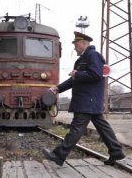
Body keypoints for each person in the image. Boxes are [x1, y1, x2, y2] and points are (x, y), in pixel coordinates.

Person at [42, 31, 125, 166]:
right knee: (103, 128)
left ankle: (59, 155)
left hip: (88, 100)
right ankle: (116, 152)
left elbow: (96, 75)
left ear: (83, 43)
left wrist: (78, 74)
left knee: (76, 129)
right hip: (89, 101)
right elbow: (74, 79)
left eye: (76, 44)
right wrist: (57, 88)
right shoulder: (82, 60)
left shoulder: (93, 56)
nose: (74, 47)